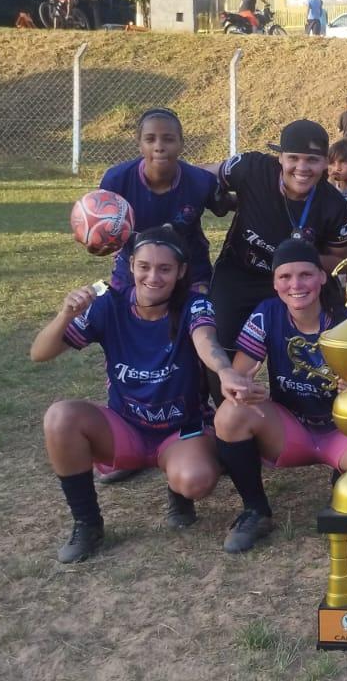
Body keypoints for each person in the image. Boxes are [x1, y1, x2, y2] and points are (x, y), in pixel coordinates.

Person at [30, 225, 256, 563]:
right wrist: (65, 314)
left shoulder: (195, 305)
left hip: (180, 429)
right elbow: (39, 353)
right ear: (132, 265)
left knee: (194, 480)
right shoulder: (109, 305)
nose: (153, 276)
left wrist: (224, 371)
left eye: (165, 268)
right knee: (60, 417)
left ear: (180, 272)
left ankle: (178, 489)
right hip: (127, 428)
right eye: (144, 266)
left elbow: (205, 341)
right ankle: (87, 524)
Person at [210, 238, 347, 553]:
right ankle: (255, 511)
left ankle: (345, 471)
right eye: (285, 277)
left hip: (342, 430)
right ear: (274, 283)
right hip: (292, 428)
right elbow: (240, 373)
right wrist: (243, 386)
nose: (296, 284)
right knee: (231, 412)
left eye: (305, 274)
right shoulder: (268, 313)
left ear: (321, 277)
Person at [91, 108, 218, 485]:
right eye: (151, 139)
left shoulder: (196, 181)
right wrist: (97, 240)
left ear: (181, 143)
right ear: (139, 143)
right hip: (133, 273)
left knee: (193, 341)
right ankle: (128, 430)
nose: (160, 146)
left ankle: (194, 422)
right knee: (121, 337)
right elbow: (102, 225)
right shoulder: (117, 178)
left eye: (168, 139)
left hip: (189, 273)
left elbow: (228, 202)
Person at [201, 120, 347, 389]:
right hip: (241, 271)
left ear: (325, 164)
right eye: (293, 158)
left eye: (312, 160)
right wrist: (222, 200)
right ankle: (231, 418)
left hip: (295, 283)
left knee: (307, 350)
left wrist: (299, 262)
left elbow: (342, 259)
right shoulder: (252, 168)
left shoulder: (334, 205)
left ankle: (303, 410)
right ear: (280, 158)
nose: (302, 168)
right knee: (220, 341)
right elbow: (201, 176)